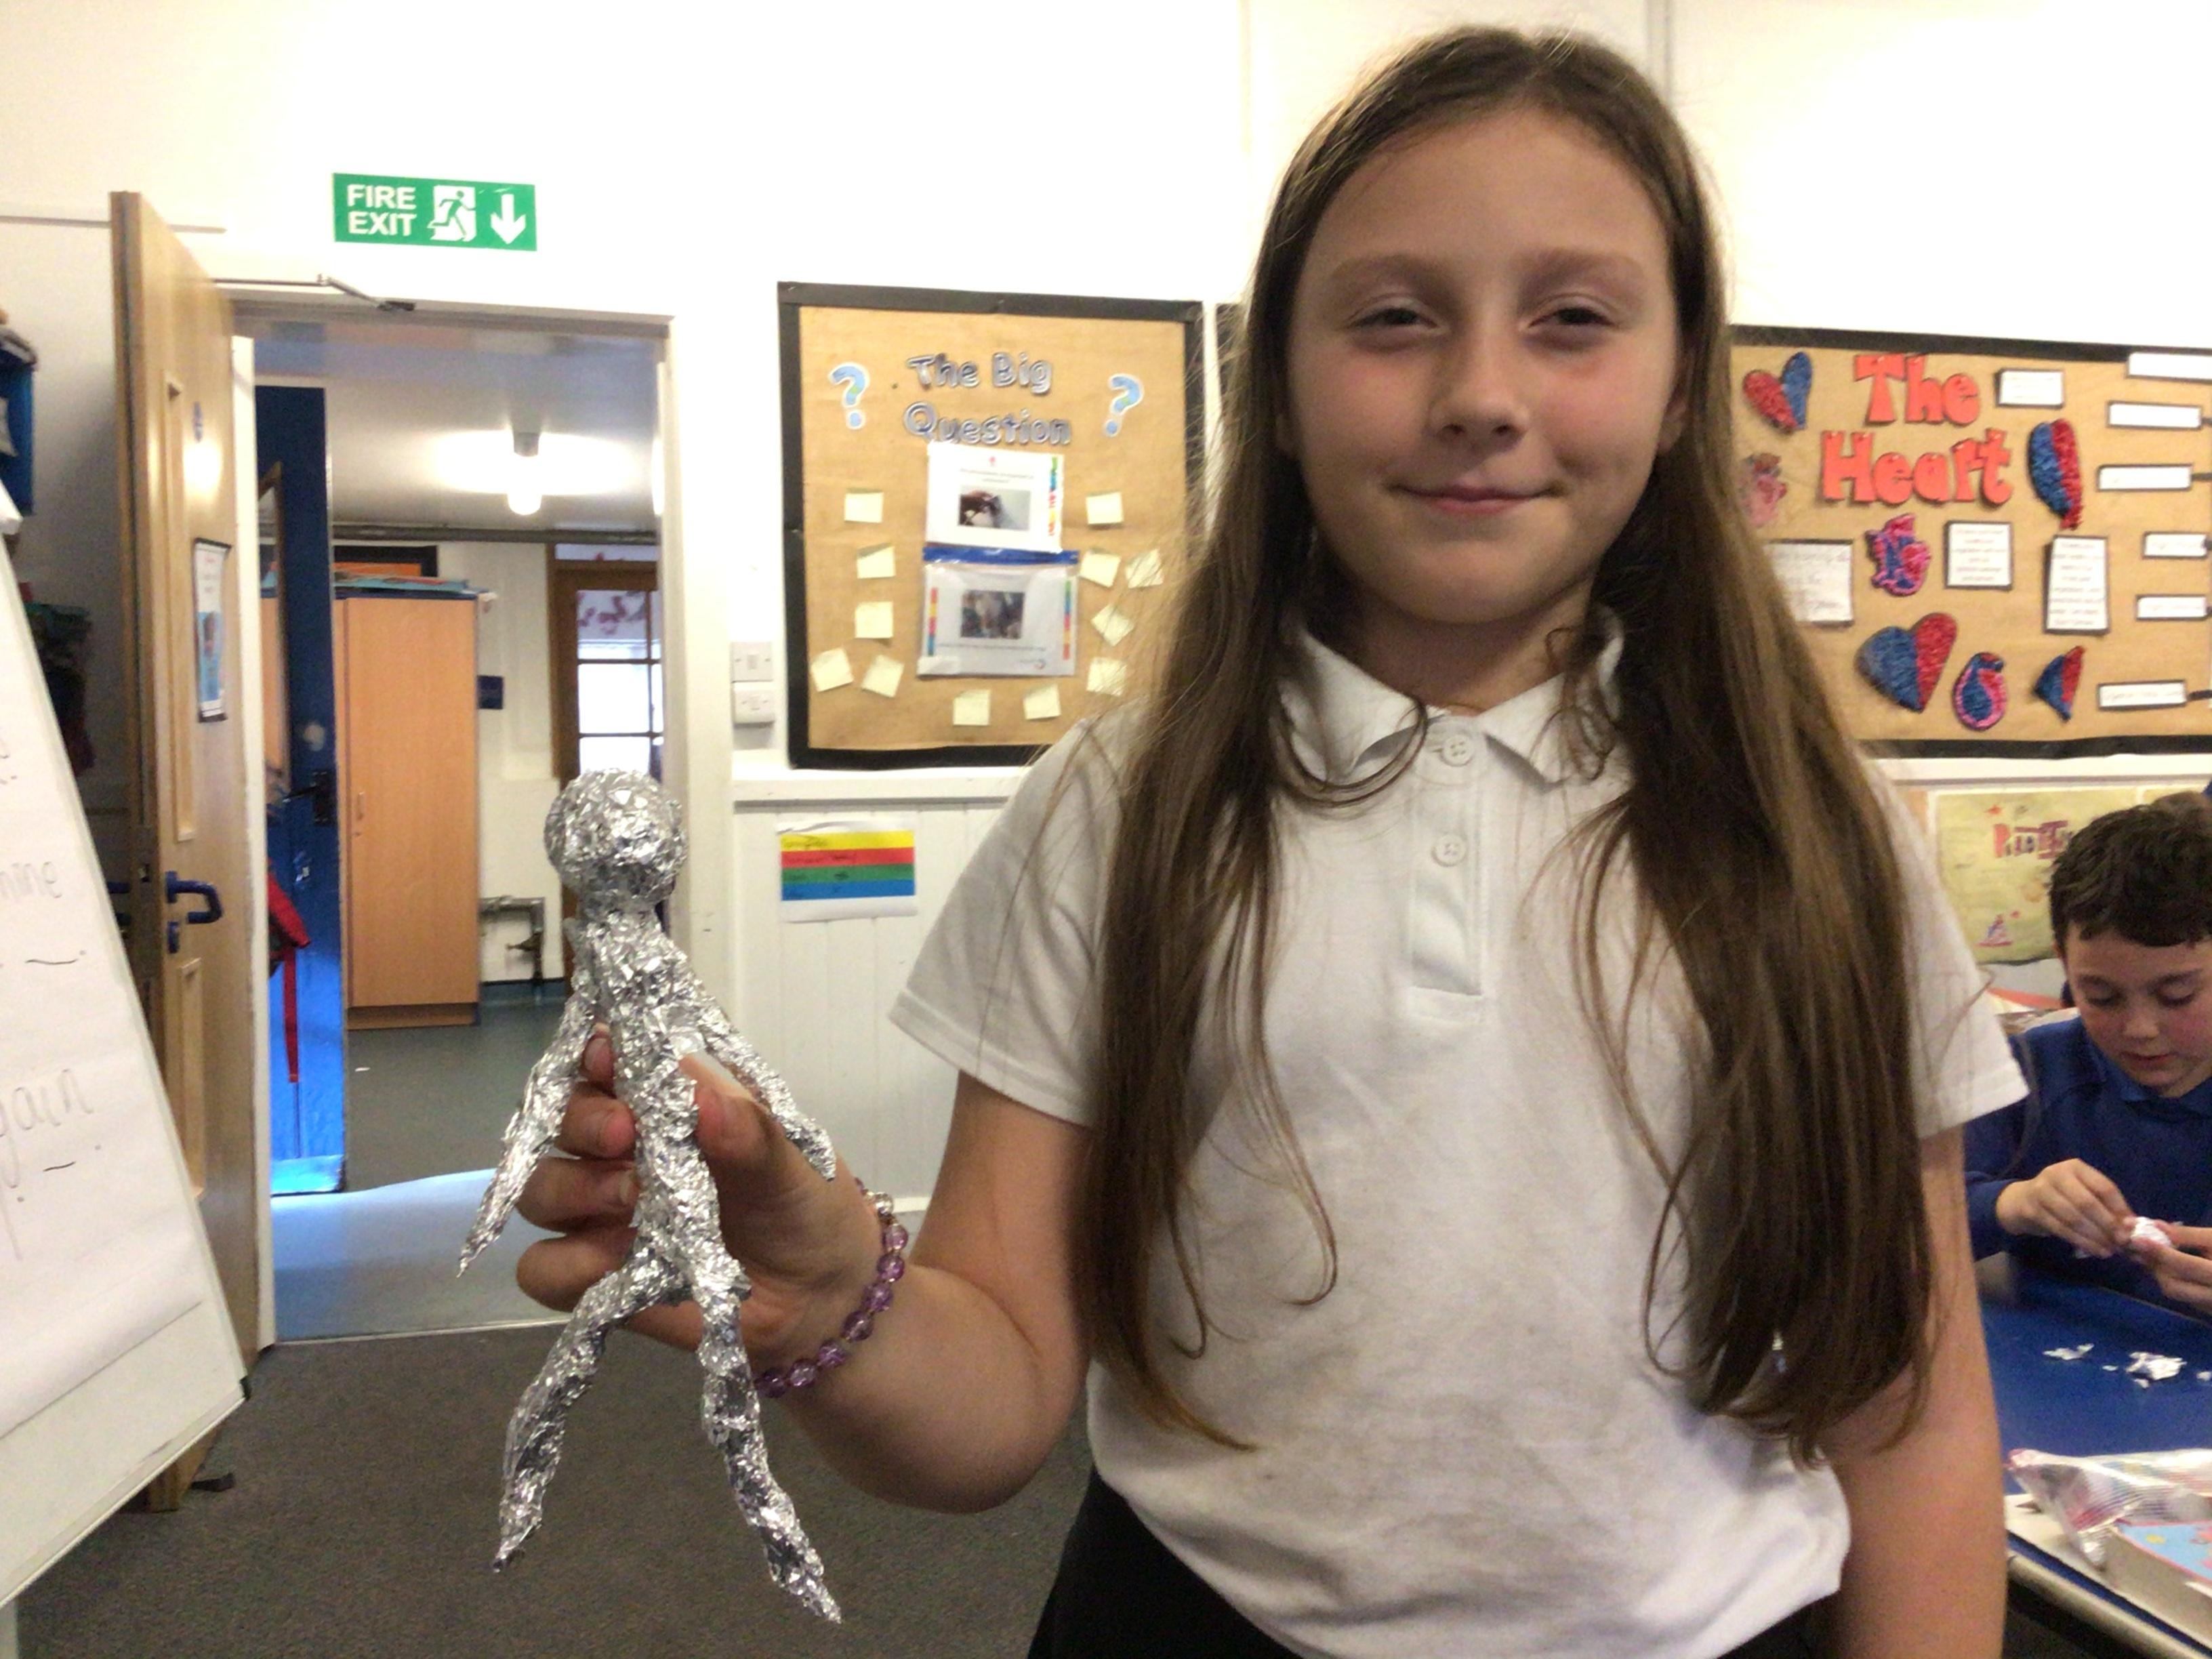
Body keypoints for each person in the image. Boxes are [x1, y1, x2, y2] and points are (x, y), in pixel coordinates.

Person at [511, 28, 2025, 1658]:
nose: (1482, 396)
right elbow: (993, 1400)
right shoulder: (1125, 805)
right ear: (1282, 392)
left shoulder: (1813, 834)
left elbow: (1915, 1414)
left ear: (1675, 388)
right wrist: (834, 1301)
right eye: (1394, 318)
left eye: (1574, 318)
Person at [1965, 796, 2212, 1317]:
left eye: (2177, 996)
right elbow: (1913, 1228)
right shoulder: (2025, 1073)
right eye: (2101, 996)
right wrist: (2013, 1203)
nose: (2140, 1030)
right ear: (2064, 962)